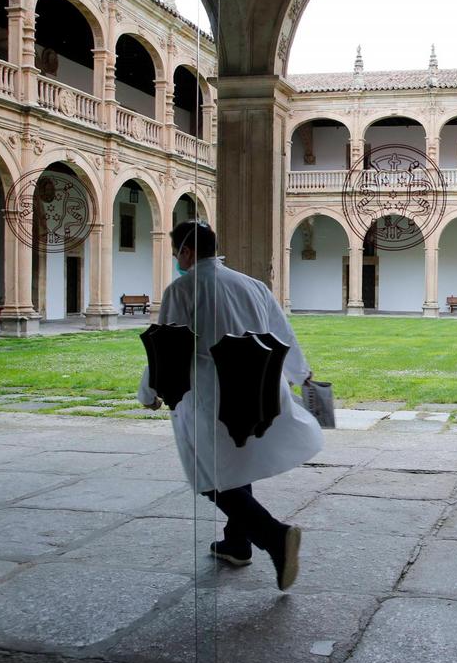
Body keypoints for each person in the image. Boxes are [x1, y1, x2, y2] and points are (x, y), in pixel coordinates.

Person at [137, 221, 323, 591]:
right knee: (234, 464)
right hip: (256, 392)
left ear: (186, 252)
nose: (177, 259)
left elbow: (167, 349)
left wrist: (149, 392)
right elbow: (283, 335)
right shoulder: (253, 285)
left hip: (208, 394)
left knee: (208, 474)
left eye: (176, 253)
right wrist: (301, 374)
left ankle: (274, 535)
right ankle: (237, 543)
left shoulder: (182, 289)